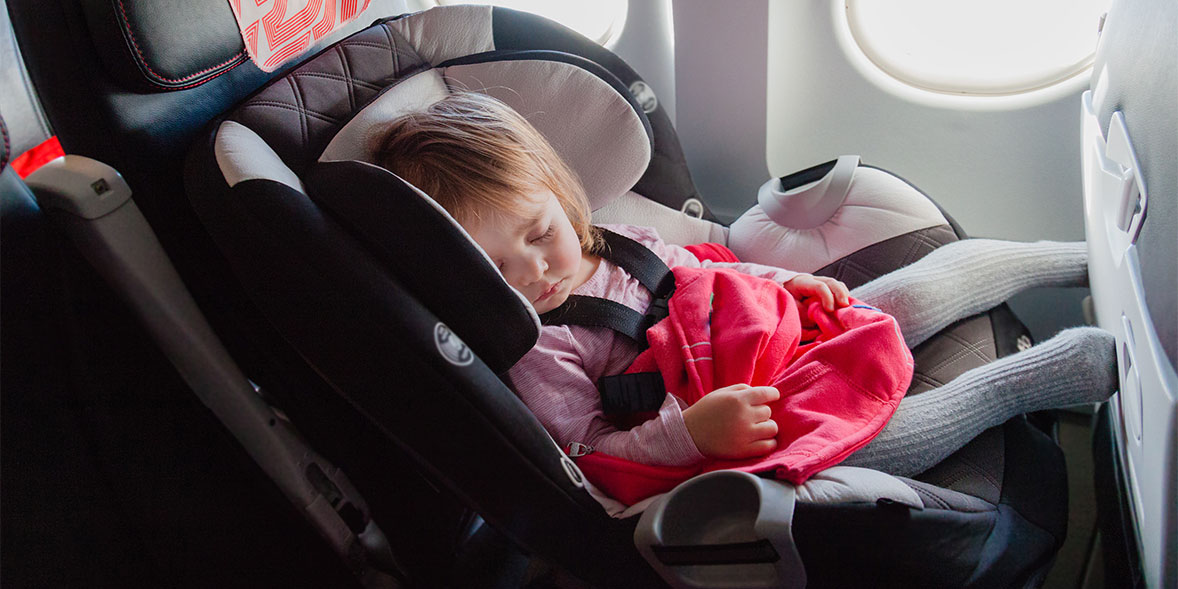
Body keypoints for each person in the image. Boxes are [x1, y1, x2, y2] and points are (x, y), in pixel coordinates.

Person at [375, 91, 1117, 480]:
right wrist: (692, 433)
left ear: (561, 199)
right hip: (745, 411)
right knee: (870, 449)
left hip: (776, 332)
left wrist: (794, 283)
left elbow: (708, 269)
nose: (535, 270)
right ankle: (1029, 383)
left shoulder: (618, 241)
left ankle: (1068, 255)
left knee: (911, 297)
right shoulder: (538, 350)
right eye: (496, 268)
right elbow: (593, 450)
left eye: (539, 234)